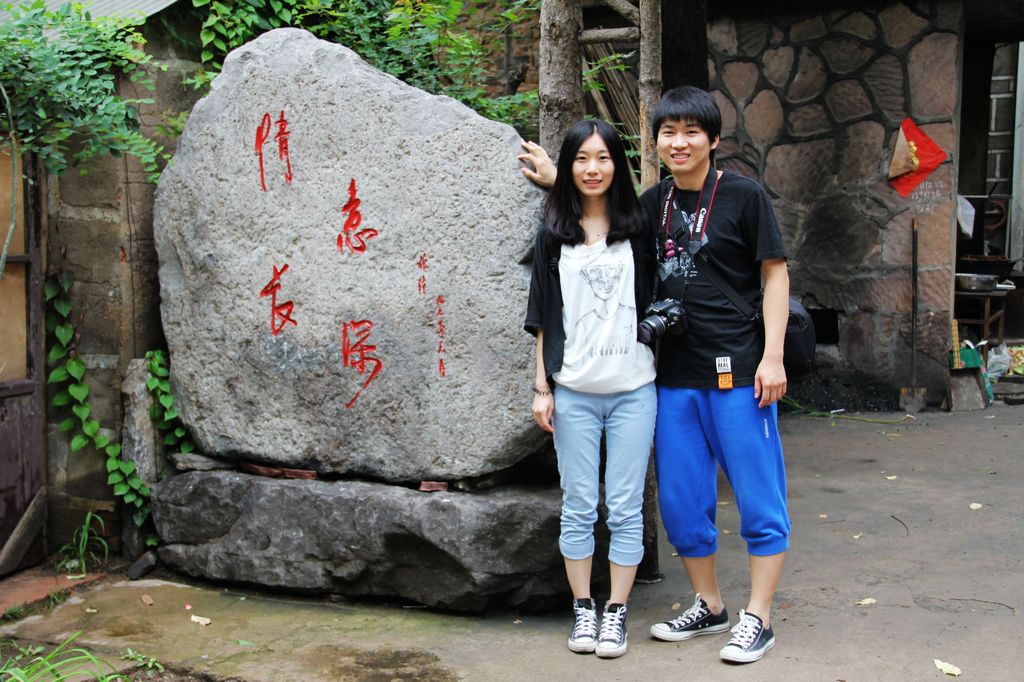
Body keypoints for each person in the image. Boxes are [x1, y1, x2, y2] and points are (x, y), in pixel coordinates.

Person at [519, 86, 791, 665]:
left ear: (713, 139)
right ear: (656, 141)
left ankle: (760, 617)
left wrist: (774, 356)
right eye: (669, 132)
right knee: (683, 504)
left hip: (741, 372)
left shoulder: (744, 196)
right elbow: (596, 210)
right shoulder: (652, 204)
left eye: (692, 132)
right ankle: (710, 606)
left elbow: (774, 274)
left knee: (758, 497)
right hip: (672, 379)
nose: (680, 142)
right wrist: (559, 178)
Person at [523, 119, 658, 659]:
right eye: (582, 159)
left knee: (624, 507)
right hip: (574, 390)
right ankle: (584, 608)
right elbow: (542, 316)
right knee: (578, 504)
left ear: (618, 165)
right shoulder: (554, 232)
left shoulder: (640, 228)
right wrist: (542, 387)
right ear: (569, 166)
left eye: (603, 158)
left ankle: (616, 612)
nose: (593, 169)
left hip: (633, 389)